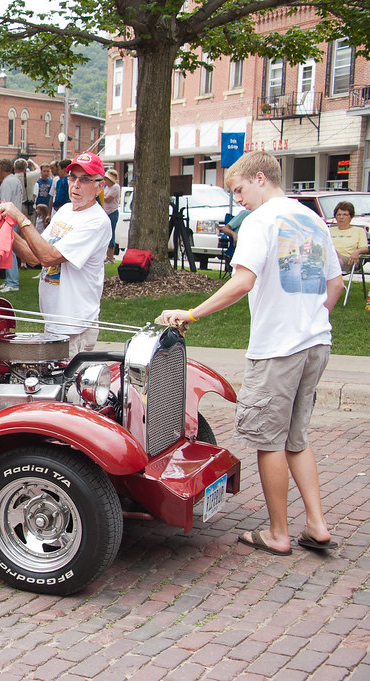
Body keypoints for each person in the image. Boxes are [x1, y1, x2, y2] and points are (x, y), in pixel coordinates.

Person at [158, 150, 343, 556]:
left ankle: (278, 532)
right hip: (316, 342)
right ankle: (316, 523)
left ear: (260, 178)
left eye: (239, 189)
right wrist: (309, 318)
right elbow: (335, 286)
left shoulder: (261, 221)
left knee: (268, 440)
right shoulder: (312, 218)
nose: (237, 199)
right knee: (297, 437)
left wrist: (191, 312)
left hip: (278, 347)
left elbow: (243, 281)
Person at [0, 151, 111, 355]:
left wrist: (19, 217)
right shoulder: (65, 210)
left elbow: (48, 257)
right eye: (73, 177)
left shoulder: (97, 221)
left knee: (69, 385)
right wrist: (4, 230)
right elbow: (33, 257)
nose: (76, 185)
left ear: (100, 185)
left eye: (85, 180)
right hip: (55, 323)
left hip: (75, 328)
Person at [0, 158, 26, 292]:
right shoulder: (15, 180)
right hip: (13, 218)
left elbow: (4, 203)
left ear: (1, 170)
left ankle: (12, 282)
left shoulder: (8, 182)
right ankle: (9, 279)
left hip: (8, 220)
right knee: (8, 251)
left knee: (9, 252)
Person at [328, 201, 367, 273]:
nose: (341, 217)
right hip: (329, 257)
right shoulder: (328, 230)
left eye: (345, 214)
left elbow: (365, 248)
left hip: (348, 260)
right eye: (338, 214)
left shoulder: (359, 231)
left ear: (351, 217)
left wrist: (357, 252)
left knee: (332, 257)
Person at [102, 170, 121, 263]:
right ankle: (107, 256)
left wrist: (101, 196)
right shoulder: (107, 187)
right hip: (105, 212)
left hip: (112, 212)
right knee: (105, 234)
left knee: (111, 234)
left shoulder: (116, 187)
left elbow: (108, 199)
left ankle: (111, 257)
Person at [35, 164, 54, 232]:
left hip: (46, 209)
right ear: (41, 171)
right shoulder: (37, 181)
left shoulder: (51, 181)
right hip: (38, 208)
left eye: (47, 171)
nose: (46, 173)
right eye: (44, 171)